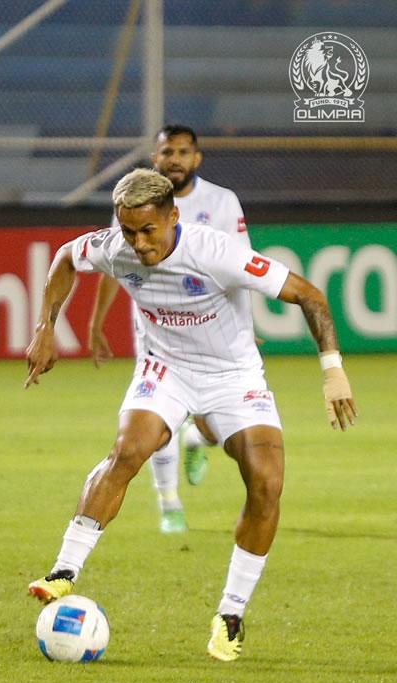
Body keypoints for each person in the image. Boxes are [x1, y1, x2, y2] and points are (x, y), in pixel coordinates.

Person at [24, 168, 355, 661]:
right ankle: (64, 571)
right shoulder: (114, 246)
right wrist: (45, 327)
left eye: (147, 230)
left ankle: (230, 614)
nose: (137, 243)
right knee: (128, 451)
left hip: (233, 377)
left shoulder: (216, 253)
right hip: (165, 370)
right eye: (129, 231)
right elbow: (65, 258)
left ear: (172, 217)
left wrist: (333, 371)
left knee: (267, 480)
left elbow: (309, 295)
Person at [88, 125, 249, 534]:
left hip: (213, 330)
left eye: (182, 152)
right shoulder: (136, 201)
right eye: (166, 152)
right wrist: (96, 322)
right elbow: (112, 264)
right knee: (156, 424)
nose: (174, 159)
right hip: (157, 330)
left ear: (196, 158)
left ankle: (199, 437)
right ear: (155, 158)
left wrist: (244, 326)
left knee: (217, 425)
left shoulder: (222, 202)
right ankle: (169, 503)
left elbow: (241, 267)